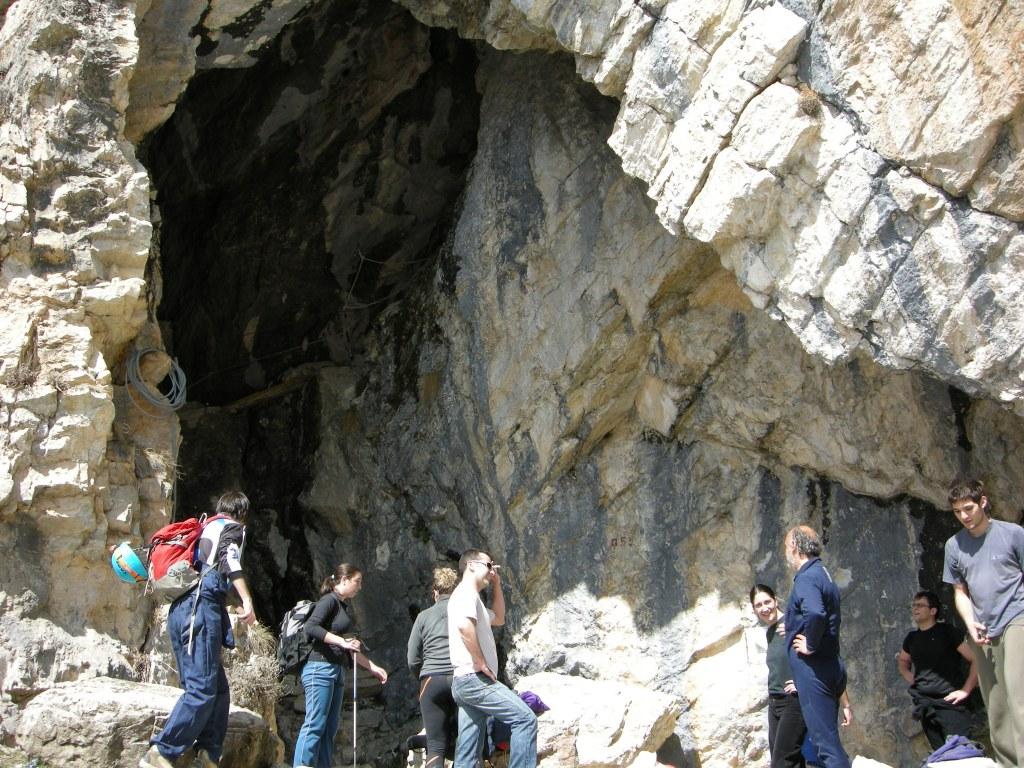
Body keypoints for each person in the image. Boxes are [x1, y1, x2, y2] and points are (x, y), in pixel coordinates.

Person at [141, 491, 257, 768]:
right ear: (242, 512)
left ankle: (207, 754)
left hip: (183, 609)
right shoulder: (232, 528)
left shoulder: (203, 528)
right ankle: (162, 752)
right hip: (200, 611)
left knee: (217, 690)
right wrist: (247, 600)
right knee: (202, 689)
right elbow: (229, 560)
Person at [943, 479, 1024, 767]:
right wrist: (971, 621)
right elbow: (959, 591)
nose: (964, 516)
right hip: (982, 627)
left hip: (1018, 618)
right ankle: (1008, 763)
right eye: (957, 511)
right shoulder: (954, 546)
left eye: (968, 508)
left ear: (983, 502)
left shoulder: (1013, 534)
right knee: (997, 704)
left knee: (1019, 695)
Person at [448, 549, 537, 768]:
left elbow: (498, 618)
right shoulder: (466, 593)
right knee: (525, 719)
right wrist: (479, 661)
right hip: (474, 678)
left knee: (468, 752)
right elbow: (463, 626)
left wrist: (496, 584)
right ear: (470, 565)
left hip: (463, 682)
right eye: (488, 565)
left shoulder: (472, 599)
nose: (492, 570)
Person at [293, 564, 388, 768]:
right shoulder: (329, 601)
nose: (359, 587)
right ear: (343, 580)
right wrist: (341, 641)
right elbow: (310, 627)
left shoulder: (343, 606)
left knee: (329, 727)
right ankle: (302, 764)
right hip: (319, 668)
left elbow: (347, 646)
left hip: (335, 669)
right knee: (316, 722)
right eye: (357, 582)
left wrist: (371, 667)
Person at [783, 525, 851, 768]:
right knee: (825, 743)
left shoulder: (806, 577)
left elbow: (815, 612)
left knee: (826, 746)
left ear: (794, 548)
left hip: (815, 670)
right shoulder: (822, 573)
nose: (786, 554)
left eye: (786, 547)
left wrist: (809, 644)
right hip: (829, 666)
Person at [897, 589, 977, 749]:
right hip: (926, 706)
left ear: (933, 610)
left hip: (952, 704)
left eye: (920, 605)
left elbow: (975, 659)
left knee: (962, 755)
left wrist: (966, 690)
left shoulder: (947, 632)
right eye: (913, 605)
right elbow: (903, 662)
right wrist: (913, 679)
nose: (915, 609)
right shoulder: (912, 638)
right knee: (940, 755)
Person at [407, 566, 459, 768]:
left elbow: (412, 658)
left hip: (431, 680)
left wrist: (423, 677)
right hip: (460, 678)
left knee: (435, 745)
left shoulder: (423, 616)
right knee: (468, 739)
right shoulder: (465, 611)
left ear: (435, 592)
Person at [751, 584, 807, 768]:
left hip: (794, 700)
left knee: (781, 763)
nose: (764, 608)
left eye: (767, 602)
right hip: (775, 702)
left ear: (776, 600)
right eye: (759, 605)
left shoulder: (793, 623)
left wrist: (802, 682)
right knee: (792, 761)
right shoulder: (769, 632)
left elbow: (818, 654)